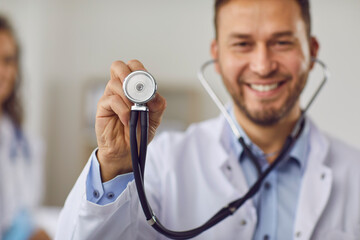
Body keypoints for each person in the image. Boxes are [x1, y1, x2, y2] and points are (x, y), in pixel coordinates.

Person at [56, 0, 360, 239]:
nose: (263, 65)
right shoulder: (161, 164)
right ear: (217, 55)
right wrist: (116, 165)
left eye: (282, 42)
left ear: (312, 50)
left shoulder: (354, 173)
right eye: (242, 44)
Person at [0, 15, 51, 240]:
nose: (2, 71)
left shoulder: (24, 141)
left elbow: (26, 211)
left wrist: (33, 231)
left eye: (8, 60)